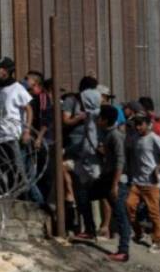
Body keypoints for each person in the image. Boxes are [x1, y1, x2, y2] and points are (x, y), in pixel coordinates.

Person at [126, 114, 160, 253]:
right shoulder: (135, 138)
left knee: (154, 213)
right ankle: (139, 233)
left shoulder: (154, 138)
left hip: (151, 182)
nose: (138, 127)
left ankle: (157, 241)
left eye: (140, 124)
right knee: (129, 206)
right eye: (136, 124)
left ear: (148, 124)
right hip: (137, 180)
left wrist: (159, 168)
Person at [0, 57, 33, 197]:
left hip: (13, 136)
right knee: (3, 170)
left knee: (19, 171)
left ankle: (33, 201)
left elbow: (29, 109)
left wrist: (26, 131)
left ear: (5, 71)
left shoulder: (17, 88)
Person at [93, 105, 131, 262]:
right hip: (108, 178)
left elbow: (120, 162)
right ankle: (89, 229)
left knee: (121, 215)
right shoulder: (109, 134)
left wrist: (115, 185)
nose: (97, 120)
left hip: (117, 180)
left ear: (105, 120)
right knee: (86, 194)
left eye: (100, 117)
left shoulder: (115, 135)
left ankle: (123, 251)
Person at [70, 88, 102, 240]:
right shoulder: (89, 116)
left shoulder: (98, 116)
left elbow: (98, 138)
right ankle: (90, 229)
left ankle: (101, 228)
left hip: (95, 163)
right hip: (86, 160)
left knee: (105, 196)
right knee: (82, 195)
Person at [26, 70, 53, 203]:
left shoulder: (42, 97)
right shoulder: (29, 96)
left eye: (28, 79)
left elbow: (46, 120)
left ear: (35, 83)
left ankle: (41, 202)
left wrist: (39, 138)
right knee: (31, 171)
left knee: (43, 172)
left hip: (42, 140)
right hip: (31, 138)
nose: (26, 81)